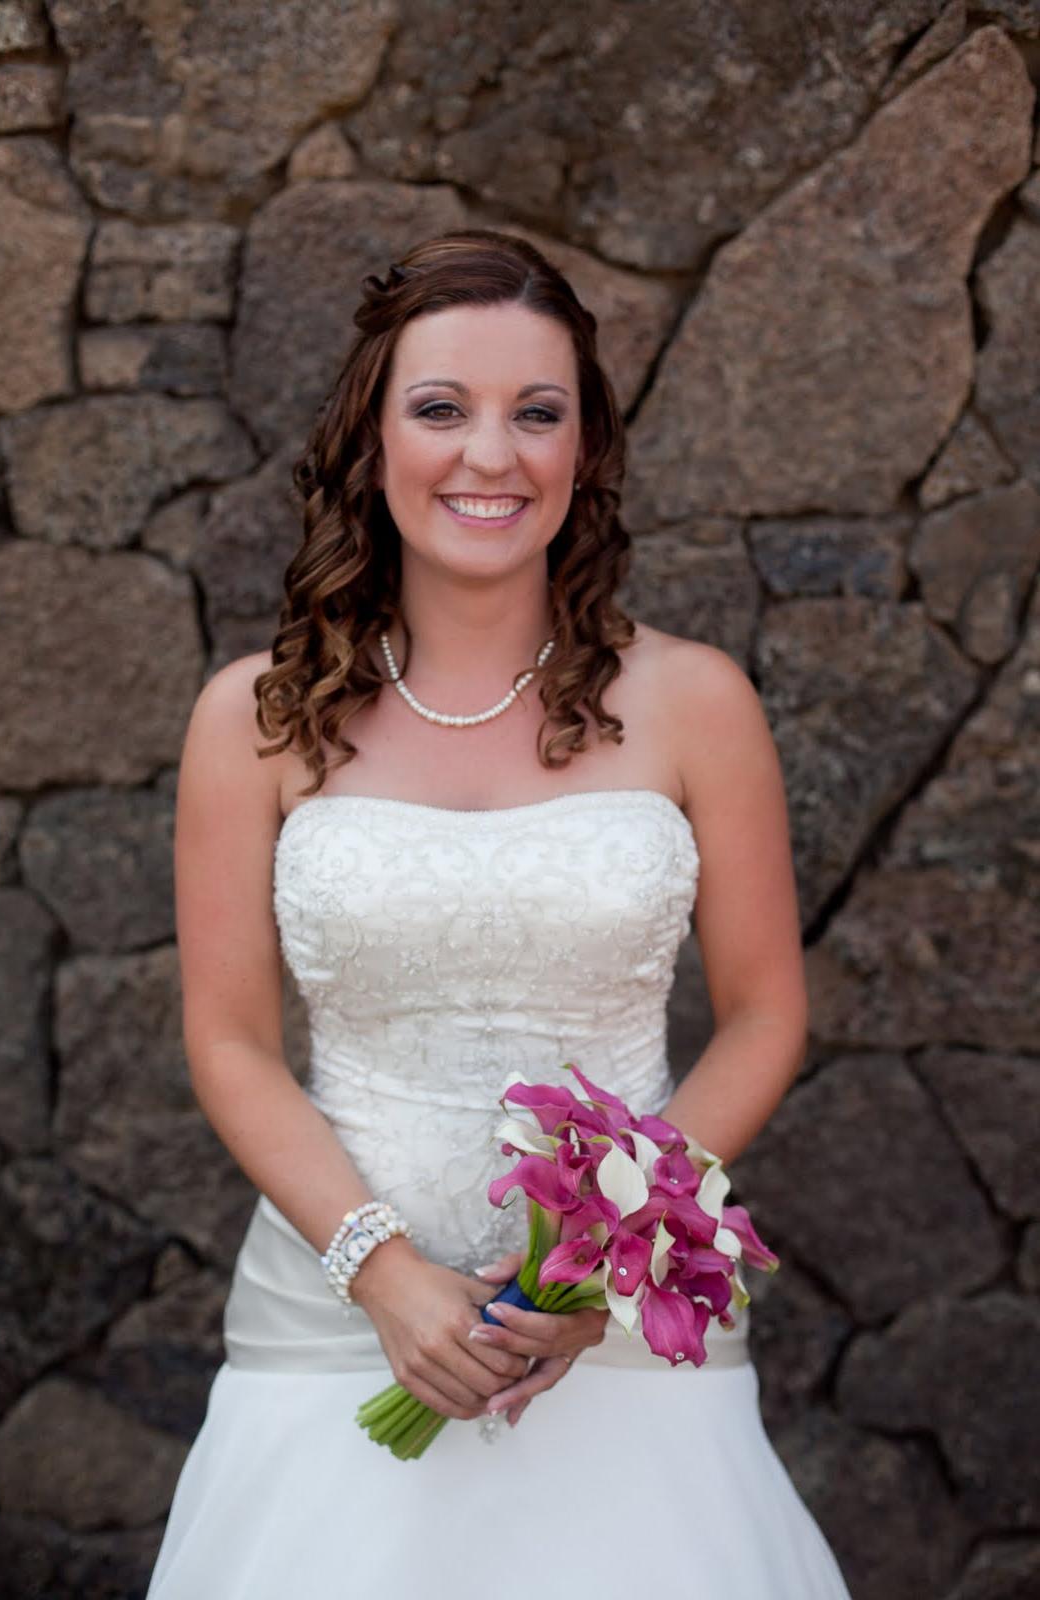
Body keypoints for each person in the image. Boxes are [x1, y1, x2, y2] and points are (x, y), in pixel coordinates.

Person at [146, 228, 853, 1598]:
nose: (491, 454)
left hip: (627, 1346)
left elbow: (766, 1015)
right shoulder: (253, 720)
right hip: (334, 1331)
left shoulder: (696, 703)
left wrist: (601, 1265)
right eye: (441, 409)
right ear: (373, 441)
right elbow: (229, 1041)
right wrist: (383, 1272)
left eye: (537, 413)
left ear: (585, 451)